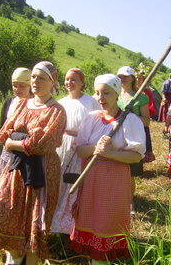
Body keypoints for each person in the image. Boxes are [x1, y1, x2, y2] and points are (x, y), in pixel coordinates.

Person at [0, 61, 67, 265]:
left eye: (41, 77)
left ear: (52, 82)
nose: (35, 81)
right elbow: (2, 134)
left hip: (42, 173)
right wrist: (23, 140)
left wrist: (15, 141)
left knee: (34, 224)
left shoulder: (57, 110)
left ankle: (30, 261)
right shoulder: (23, 104)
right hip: (15, 170)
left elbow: (42, 144)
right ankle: (15, 260)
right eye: (33, 76)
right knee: (5, 212)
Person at [70, 73, 146, 264]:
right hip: (91, 179)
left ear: (117, 93)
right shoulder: (91, 118)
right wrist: (97, 148)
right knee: (90, 220)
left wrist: (111, 153)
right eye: (97, 93)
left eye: (106, 93)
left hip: (114, 181)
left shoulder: (129, 121)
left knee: (107, 224)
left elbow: (136, 156)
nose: (100, 98)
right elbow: (79, 151)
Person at [51, 68, 100, 256]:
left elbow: (98, 125)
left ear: (82, 82)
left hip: (81, 150)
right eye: (67, 79)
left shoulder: (91, 102)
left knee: (74, 190)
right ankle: (55, 228)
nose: (69, 82)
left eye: (74, 79)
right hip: (60, 148)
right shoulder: (60, 102)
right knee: (59, 187)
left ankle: (71, 235)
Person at [117, 66, 150, 215]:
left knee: (129, 172)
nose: (122, 79)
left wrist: (130, 117)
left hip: (132, 137)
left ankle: (129, 204)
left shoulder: (140, 97)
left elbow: (147, 121)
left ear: (132, 78)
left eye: (125, 76)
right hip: (115, 136)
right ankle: (114, 199)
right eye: (120, 76)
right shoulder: (114, 93)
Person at [0, 67, 33, 176]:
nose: (18, 89)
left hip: (26, 151)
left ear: (30, 85)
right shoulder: (9, 102)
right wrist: (7, 144)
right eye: (15, 86)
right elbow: (2, 127)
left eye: (22, 86)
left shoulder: (35, 104)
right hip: (8, 148)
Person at [135, 70, 156, 163]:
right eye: (136, 78)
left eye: (140, 78)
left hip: (142, 121)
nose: (137, 80)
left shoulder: (146, 92)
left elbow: (151, 106)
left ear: (144, 80)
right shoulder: (128, 90)